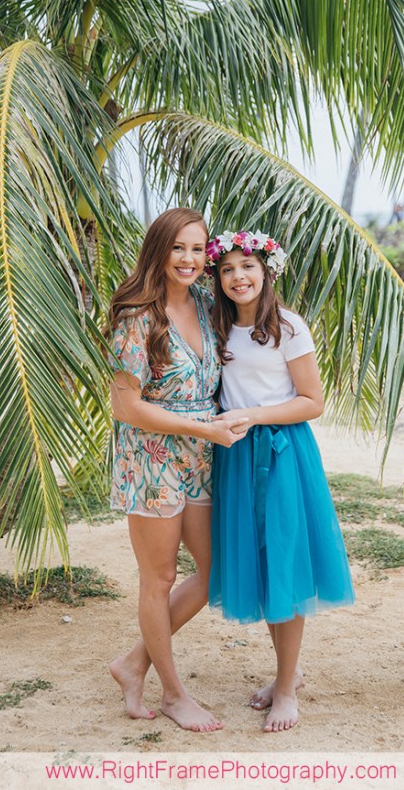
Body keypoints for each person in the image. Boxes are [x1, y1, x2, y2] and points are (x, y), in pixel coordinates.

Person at [206, 230, 355, 732]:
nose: (238, 277)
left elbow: (312, 401)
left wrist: (254, 414)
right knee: (264, 564)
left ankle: (287, 688)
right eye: (227, 269)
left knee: (284, 562)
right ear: (217, 278)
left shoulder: (288, 327)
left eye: (247, 266)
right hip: (233, 455)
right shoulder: (217, 327)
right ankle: (283, 674)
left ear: (267, 271)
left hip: (281, 452)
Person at [105, 209, 247, 732]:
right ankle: (171, 692)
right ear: (159, 251)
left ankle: (132, 663)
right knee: (160, 577)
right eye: (178, 248)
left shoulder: (210, 302)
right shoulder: (134, 313)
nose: (189, 259)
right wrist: (205, 430)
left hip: (202, 456)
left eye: (197, 249)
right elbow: (126, 407)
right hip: (151, 457)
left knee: (214, 573)